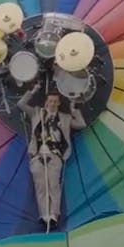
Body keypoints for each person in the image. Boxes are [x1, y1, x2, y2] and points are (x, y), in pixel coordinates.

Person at [17, 81, 86, 231]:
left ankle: (54, 216)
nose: (53, 104)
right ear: (46, 102)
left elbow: (81, 124)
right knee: (41, 187)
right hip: (38, 156)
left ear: (59, 103)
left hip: (55, 156)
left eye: (55, 101)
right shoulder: (37, 113)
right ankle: (44, 216)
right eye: (50, 101)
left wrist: (73, 110)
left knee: (54, 186)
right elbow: (21, 104)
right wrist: (33, 91)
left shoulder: (65, 118)